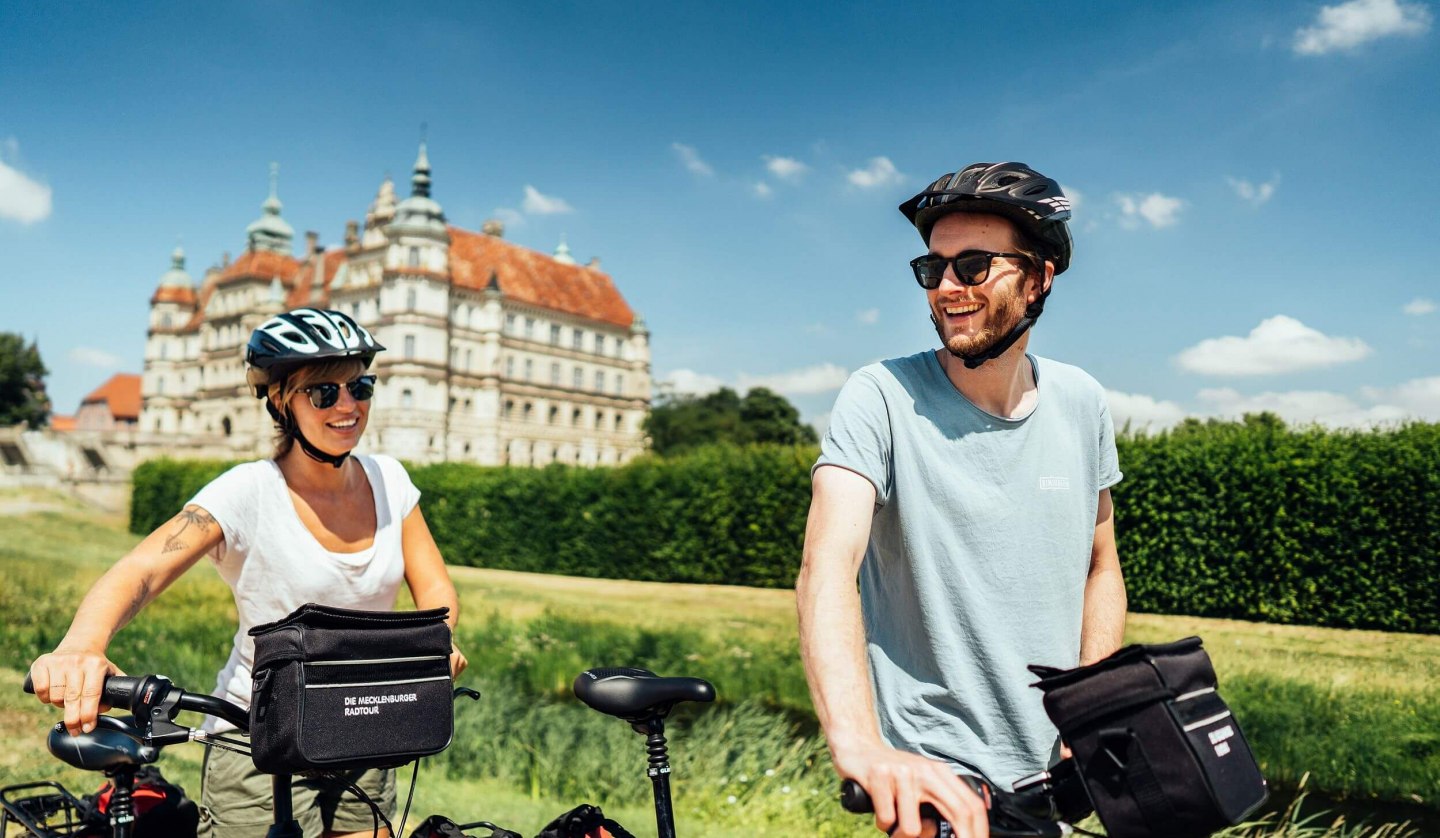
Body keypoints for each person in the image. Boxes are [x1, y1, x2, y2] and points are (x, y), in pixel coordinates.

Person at [28, 307, 469, 838]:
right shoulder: (248, 492)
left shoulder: (390, 480)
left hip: (365, 724)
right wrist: (81, 645)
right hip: (260, 735)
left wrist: (431, 643)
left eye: (361, 386)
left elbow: (436, 589)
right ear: (282, 400)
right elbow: (144, 568)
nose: (348, 406)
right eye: (324, 392)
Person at [796, 163, 1126, 838]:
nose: (947, 288)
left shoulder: (1083, 403)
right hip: (938, 785)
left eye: (974, 266)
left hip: (1052, 782)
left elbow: (1101, 567)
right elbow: (826, 568)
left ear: (1038, 279)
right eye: (933, 268)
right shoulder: (880, 396)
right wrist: (861, 749)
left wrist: (1088, 713)